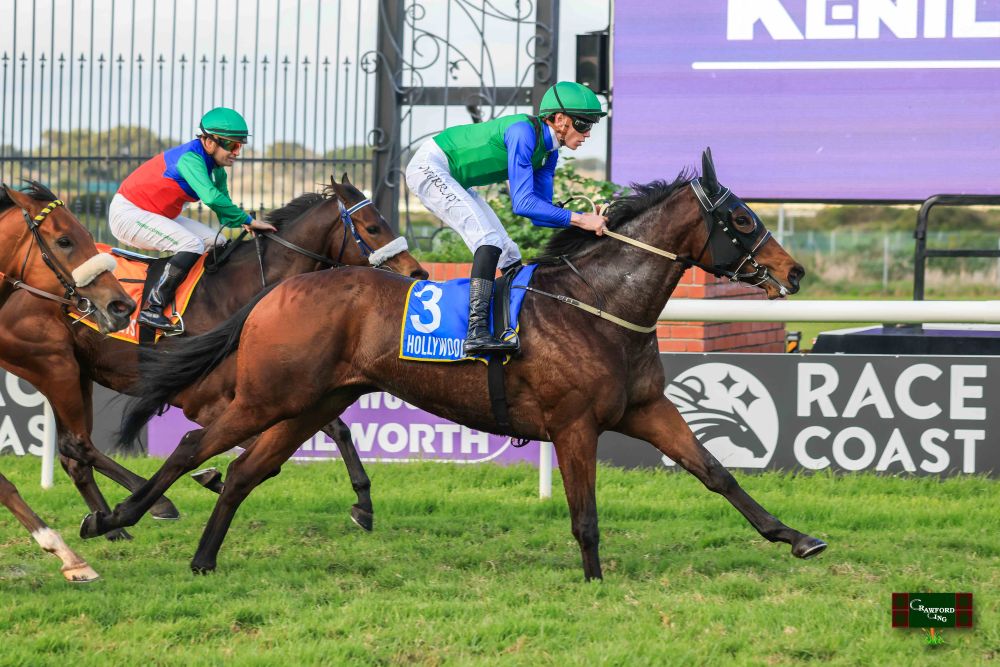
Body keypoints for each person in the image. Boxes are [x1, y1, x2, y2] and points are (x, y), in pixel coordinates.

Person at [405, 81, 608, 355]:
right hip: (430, 166)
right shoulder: (523, 132)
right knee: (488, 240)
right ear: (560, 119)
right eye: (584, 124)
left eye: (591, 125)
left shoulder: (549, 154)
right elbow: (523, 204)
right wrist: (581, 219)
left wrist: (583, 220)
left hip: (455, 178)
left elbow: (539, 213)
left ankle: (511, 324)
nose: (588, 133)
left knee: (509, 252)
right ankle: (476, 332)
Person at [108, 107, 276, 332]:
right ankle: (152, 309)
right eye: (231, 145)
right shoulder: (190, 159)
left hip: (154, 214)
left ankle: (198, 300)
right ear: (209, 142)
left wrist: (244, 222)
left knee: (217, 242)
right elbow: (211, 197)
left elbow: (222, 204)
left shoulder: (217, 169)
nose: (236, 152)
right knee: (191, 244)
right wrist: (248, 219)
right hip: (128, 214)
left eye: (239, 146)